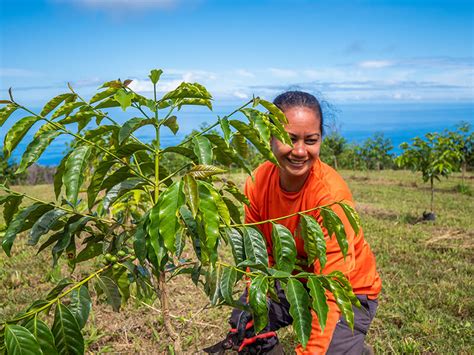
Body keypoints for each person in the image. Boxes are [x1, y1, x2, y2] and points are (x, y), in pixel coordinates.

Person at [205, 91, 381, 355]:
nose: (300, 151)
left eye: (311, 140)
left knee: (328, 348)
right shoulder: (257, 183)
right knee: (246, 322)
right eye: (289, 139)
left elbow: (333, 286)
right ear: (270, 136)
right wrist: (258, 296)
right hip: (294, 281)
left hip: (348, 291)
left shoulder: (329, 197)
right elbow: (258, 258)